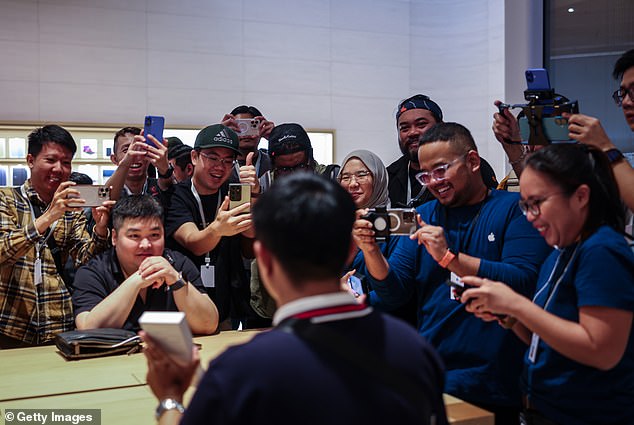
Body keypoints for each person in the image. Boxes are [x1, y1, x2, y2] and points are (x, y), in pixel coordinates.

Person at [143, 173, 448, 425]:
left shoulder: (241, 370)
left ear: (264, 258)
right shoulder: (415, 349)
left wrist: (170, 397)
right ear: (348, 250)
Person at [357, 122, 551, 424]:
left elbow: (523, 279)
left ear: (472, 162)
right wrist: (370, 251)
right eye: (425, 174)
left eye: (442, 170)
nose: (434, 182)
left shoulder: (513, 208)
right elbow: (395, 293)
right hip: (433, 371)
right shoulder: (424, 215)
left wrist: (450, 258)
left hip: (494, 377)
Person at [461, 144, 634, 425]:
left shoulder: (602, 249)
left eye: (537, 203)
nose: (529, 216)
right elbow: (542, 339)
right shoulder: (561, 249)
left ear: (580, 196)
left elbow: (601, 350)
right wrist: (509, 315)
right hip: (543, 409)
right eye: (525, 205)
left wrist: (516, 304)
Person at [0, 125, 112, 348]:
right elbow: (3, 251)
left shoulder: (72, 209)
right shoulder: (7, 199)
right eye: (51, 160)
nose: (59, 169)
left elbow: (84, 259)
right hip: (10, 324)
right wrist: (49, 216)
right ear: (31, 160)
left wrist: (100, 230)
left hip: (59, 324)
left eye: (66, 162)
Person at [72, 195, 218, 334]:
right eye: (134, 236)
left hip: (169, 355)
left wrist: (176, 279)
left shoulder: (178, 264)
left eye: (154, 235)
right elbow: (88, 330)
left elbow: (209, 324)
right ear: (115, 237)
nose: (146, 245)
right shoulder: (93, 272)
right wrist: (137, 280)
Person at [164, 124, 262, 329]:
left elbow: (250, 241)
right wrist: (217, 229)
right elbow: (194, 243)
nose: (220, 166)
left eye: (228, 160)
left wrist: (253, 193)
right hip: (188, 298)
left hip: (230, 300)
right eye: (213, 157)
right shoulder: (178, 195)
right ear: (194, 157)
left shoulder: (235, 192)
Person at [338, 149, 416, 327]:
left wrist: (348, 299)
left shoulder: (400, 223)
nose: (352, 184)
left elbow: (395, 294)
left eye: (362, 175)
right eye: (345, 177)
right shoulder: (334, 224)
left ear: (379, 178)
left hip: (389, 330)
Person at [388, 94, 498, 208]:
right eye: (405, 128)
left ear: (440, 126)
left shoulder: (468, 164)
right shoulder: (390, 175)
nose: (412, 132)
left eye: (421, 124)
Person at [106, 126, 174, 205]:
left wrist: (164, 168)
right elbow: (101, 202)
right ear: (114, 159)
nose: (134, 155)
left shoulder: (160, 188)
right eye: (126, 151)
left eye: (140, 149)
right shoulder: (110, 189)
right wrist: (124, 164)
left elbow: (170, 187)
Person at [221, 105, 275, 191]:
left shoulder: (273, 162)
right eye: (240, 126)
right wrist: (219, 135)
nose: (246, 133)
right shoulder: (221, 164)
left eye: (252, 126)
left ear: (261, 126)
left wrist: (275, 138)